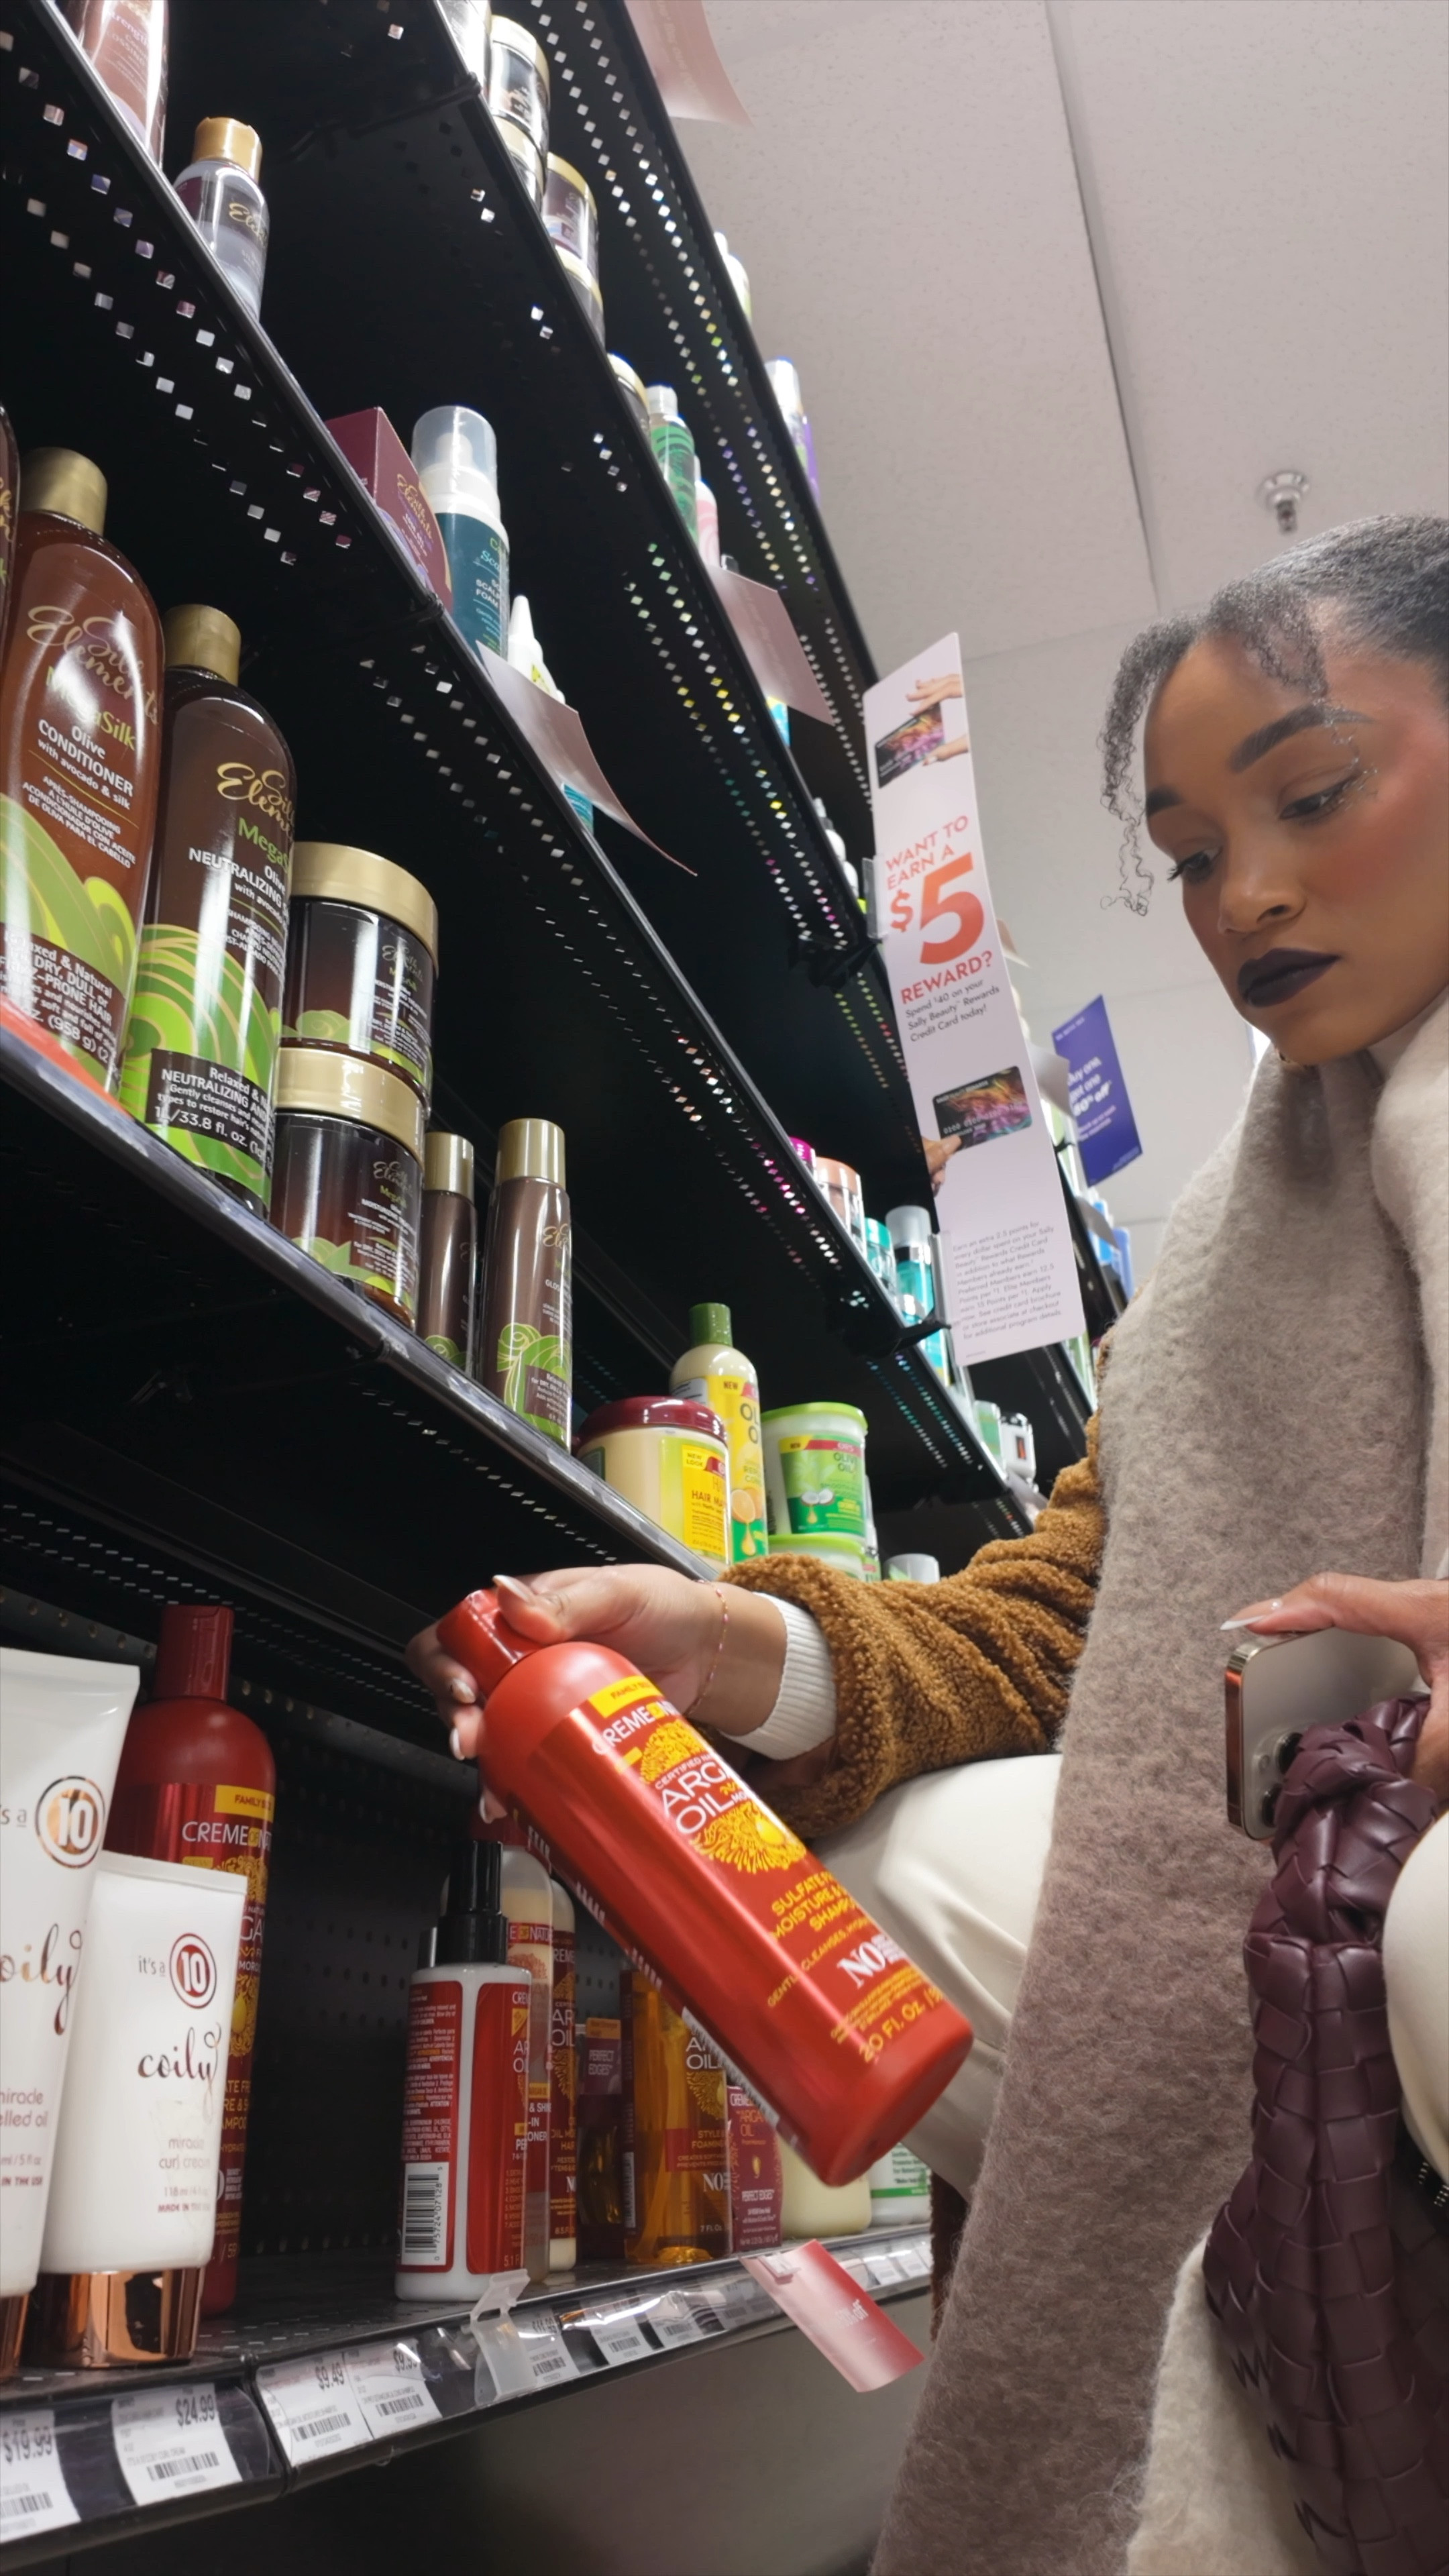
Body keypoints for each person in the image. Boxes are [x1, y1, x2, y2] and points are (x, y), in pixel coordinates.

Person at [411, 515, 1448, 2576]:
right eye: (1186, 851)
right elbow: (1076, 1605)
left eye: (1316, 796)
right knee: (875, 1864)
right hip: (1312, 1915)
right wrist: (731, 1654)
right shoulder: (1237, 1245)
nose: (1245, 892)